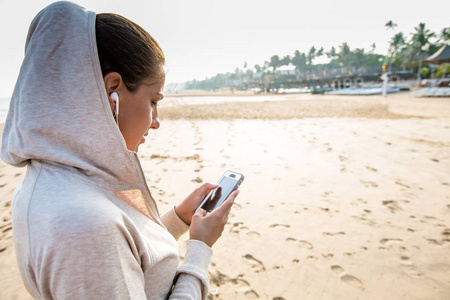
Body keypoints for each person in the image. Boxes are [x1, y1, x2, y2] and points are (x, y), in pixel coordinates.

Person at [1, 2, 238, 299]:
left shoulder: (58, 180)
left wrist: (179, 218)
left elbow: (127, 256)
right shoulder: (83, 224)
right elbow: (103, 237)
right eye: (153, 100)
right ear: (113, 89)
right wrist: (199, 250)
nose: (156, 122)